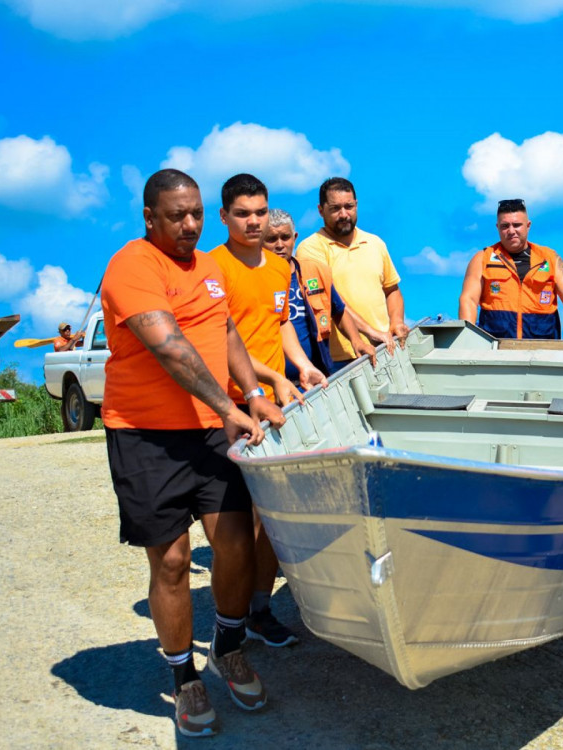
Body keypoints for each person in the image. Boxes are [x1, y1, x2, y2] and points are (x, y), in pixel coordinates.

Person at [100, 168, 285, 737]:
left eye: (197, 214)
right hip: (145, 435)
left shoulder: (206, 267)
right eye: (177, 215)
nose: (189, 225)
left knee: (233, 544)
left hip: (208, 429)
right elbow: (170, 347)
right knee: (174, 561)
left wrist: (253, 393)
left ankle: (227, 648)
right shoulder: (132, 266)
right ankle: (184, 679)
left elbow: (225, 331)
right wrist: (232, 411)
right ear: (150, 217)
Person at [207, 174, 328, 650]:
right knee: (237, 521)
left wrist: (300, 369)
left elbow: (280, 328)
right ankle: (230, 621)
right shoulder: (211, 268)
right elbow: (221, 340)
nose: (254, 222)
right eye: (243, 214)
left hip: (274, 402)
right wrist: (269, 381)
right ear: (225, 217)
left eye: (261, 212)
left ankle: (260, 609)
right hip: (231, 406)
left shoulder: (280, 269)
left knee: (274, 516)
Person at [295, 178, 408, 367]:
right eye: (335, 208)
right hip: (337, 358)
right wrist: (370, 332)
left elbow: (392, 290)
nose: (343, 214)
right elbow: (330, 299)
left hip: (383, 349)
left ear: (356, 205)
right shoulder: (310, 249)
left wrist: (396, 322)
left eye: (349, 206)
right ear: (321, 210)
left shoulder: (375, 243)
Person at [458, 198, 563, 351]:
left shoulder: (549, 258)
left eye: (517, 225)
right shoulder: (482, 258)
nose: (511, 231)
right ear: (497, 228)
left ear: (528, 226)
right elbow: (468, 299)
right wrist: (467, 336)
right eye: (505, 226)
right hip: (495, 351)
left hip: (543, 351)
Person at [262, 208, 375, 380]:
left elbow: (338, 310)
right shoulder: (255, 279)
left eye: (285, 237)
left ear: (295, 238)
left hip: (316, 376)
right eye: (271, 239)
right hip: (273, 379)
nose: (279, 245)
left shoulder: (314, 270)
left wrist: (356, 341)